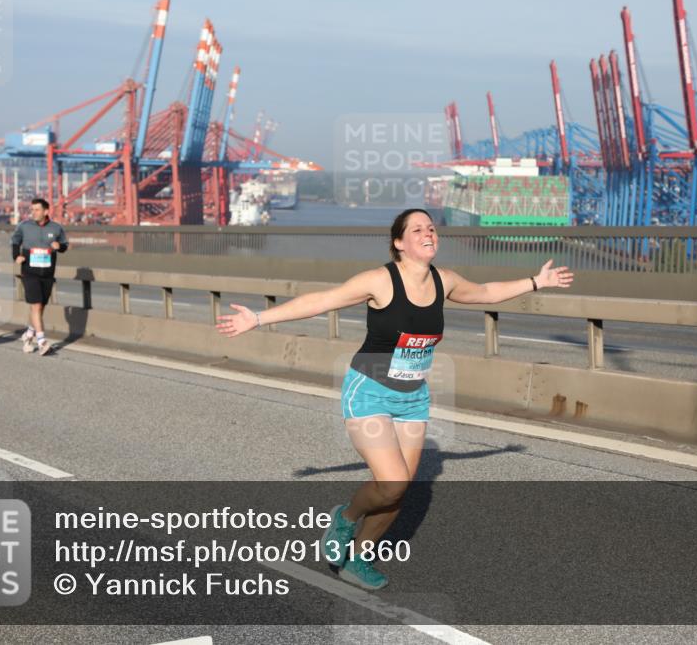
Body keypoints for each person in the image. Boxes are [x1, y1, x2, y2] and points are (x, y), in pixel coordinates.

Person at [216, 209, 574, 590]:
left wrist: (537, 281)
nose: (428, 233)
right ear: (399, 243)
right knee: (392, 481)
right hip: (368, 390)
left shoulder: (444, 280)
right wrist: (257, 318)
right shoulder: (380, 281)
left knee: (399, 490)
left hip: (412, 398)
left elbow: (486, 293)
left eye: (432, 228)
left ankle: (359, 558)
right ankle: (346, 517)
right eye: (417, 229)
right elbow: (322, 301)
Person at [11, 198, 68, 356]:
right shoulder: (24, 226)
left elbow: (65, 245)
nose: (33, 212)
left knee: (41, 306)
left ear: (46, 211)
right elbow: (15, 241)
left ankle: (29, 333)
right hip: (29, 271)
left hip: (48, 273)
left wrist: (60, 246)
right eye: (32, 210)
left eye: (37, 210)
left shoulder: (56, 228)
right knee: (35, 305)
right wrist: (16, 256)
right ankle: (42, 341)